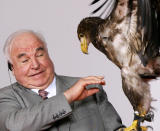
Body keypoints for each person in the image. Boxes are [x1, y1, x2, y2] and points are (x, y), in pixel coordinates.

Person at [0, 30, 125, 131]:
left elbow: (115, 128)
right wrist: (69, 96)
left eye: (39, 55)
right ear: (12, 68)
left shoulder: (89, 87)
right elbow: (14, 126)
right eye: (25, 60)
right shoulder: (5, 97)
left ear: (48, 55)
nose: (35, 65)